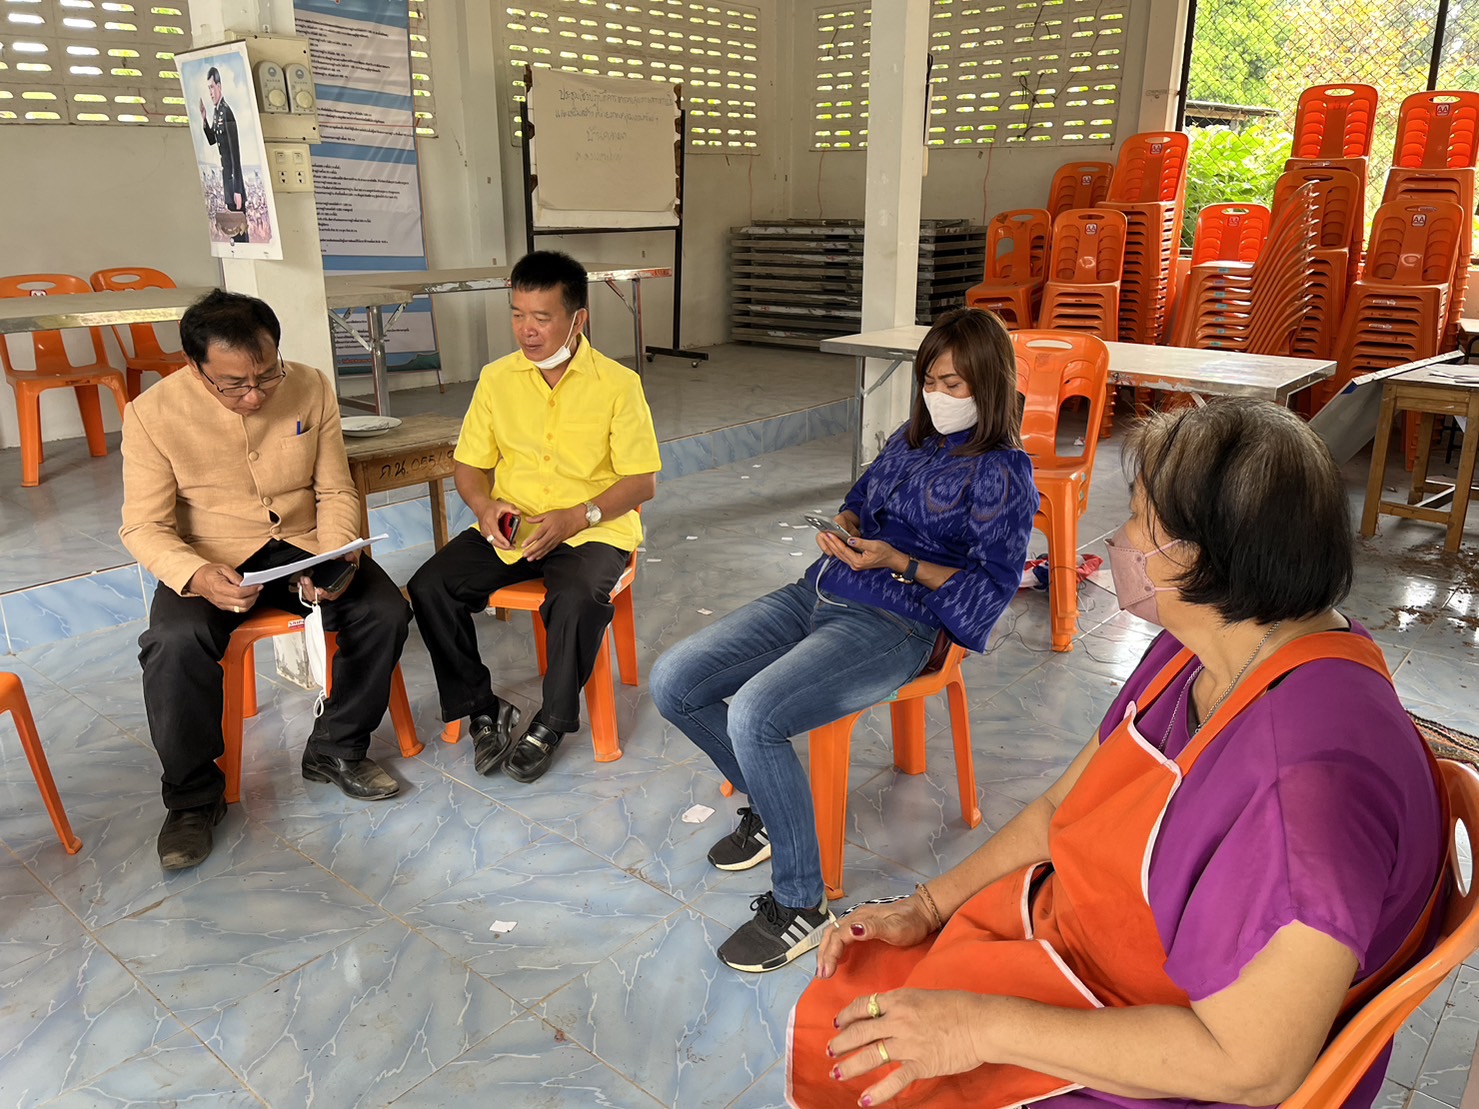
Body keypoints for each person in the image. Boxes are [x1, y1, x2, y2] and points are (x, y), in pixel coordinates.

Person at [789, 399, 1447, 1109]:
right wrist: (927, 906)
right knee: (852, 1008)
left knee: (881, 1068)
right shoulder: (1207, 647)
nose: (1120, 538)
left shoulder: (1308, 791)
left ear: (1199, 554)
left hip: (1164, 1056)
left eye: (1137, 518)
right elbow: (1060, 807)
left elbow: (1252, 1065)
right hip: (1094, 952)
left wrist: (978, 1028)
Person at [650, 307, 1038, 974]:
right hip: (821, 591)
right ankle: (772, 809)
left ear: (989, 385)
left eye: (953, 384)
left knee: (755, 714)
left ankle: (801, 903)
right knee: (674, 681)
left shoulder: (1003, 473)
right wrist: (845, 525)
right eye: (929, 381)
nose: (937, 396)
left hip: (896, 624)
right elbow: (859, 498)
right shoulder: (909, 441)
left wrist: (900, 562)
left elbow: (991, 588)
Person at [121, 291, 411, 871]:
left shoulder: (310, 385)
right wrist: (197, 575)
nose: (254, 396)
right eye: (234, 384)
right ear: (194, 366)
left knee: (385, 611)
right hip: (212, 556)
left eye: (266, 376)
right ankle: (192, 799)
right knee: (173, 644)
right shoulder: (152, 414)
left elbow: (335, 489)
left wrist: (332, 558)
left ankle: (336, 747)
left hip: (303, 544)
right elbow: (143, 526)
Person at [408, 251, 660, 784]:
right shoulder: (497, 379)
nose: (527, 330)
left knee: (577, 597)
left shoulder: (618, 384)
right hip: (513, 529)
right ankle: (483, 708)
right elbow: (469, 466)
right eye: (518, 314)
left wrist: (579, 515)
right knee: (430, 586)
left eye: (542, 318)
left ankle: (551, 722)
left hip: (592, 529)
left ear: (578, 318)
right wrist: (485, 507)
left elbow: (642, 482)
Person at [199, 66, 248, 244]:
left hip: (234, 183)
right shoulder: (216, 113)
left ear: (219, 86)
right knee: (232, 230)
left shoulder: (226, 112)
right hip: (227, 180)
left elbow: (235, 153)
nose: (210, 92)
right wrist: (204, 119)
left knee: (239, 228)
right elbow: (213, 140)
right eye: (208, 88)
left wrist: (237, 189)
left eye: (212, 87)